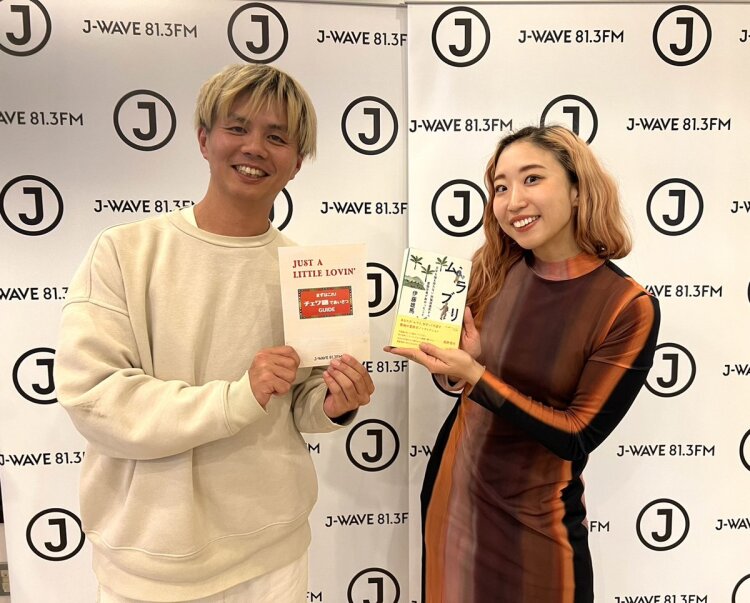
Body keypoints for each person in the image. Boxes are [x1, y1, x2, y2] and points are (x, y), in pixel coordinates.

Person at [55, 64, 375, 603]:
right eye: (237, 128)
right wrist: (237, 396)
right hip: (151, 559)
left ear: (297, 163)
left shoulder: (307, 272)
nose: (254, 148)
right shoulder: (125, 252)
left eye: (277, 138)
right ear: (204, 139)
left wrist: (335, 403)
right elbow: (94, 398)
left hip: (274, 554)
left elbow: (300, 406)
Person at [387, 125, 660, 602]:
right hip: (455, 505)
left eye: (532, 179)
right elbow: (468, 385)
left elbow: (576, 435)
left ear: (577, 189)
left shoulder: (625, 306)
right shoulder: (494, 269)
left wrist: (477, 375)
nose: (513, 201)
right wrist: (458, 371)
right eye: (500, 187)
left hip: (540, 525)